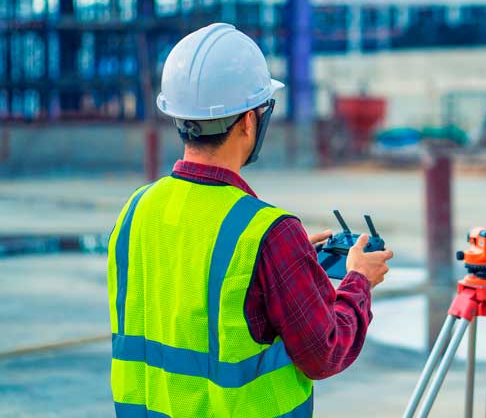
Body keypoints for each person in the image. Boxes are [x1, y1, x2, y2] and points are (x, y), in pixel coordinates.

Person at [107, 23, 393, 417]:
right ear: (247, 121)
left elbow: (192, 286)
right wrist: (359, 280)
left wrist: (280, 265)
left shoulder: (137, 208)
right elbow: (324, 352)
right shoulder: (267, 233)